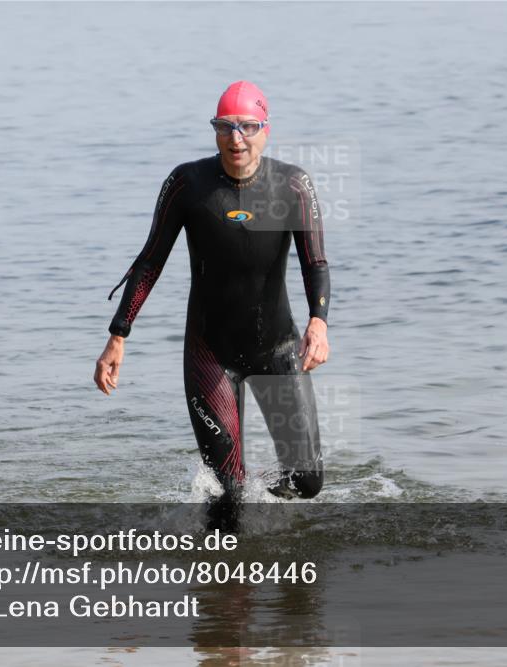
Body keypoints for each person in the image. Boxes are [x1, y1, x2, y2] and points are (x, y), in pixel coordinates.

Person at [94, 81, 330, 507]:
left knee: (307, 480)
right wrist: (118, 335)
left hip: (277, 349)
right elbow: (150, 261)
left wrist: (319, 322)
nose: (235, 138)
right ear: (215, 131)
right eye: (224, 127)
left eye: (247, 127)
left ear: (265, 130)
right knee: (228, 497)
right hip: (211, 357)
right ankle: (224, 553)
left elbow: (315, 263)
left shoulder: (292, 186)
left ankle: (259, 498)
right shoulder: (188, 184)